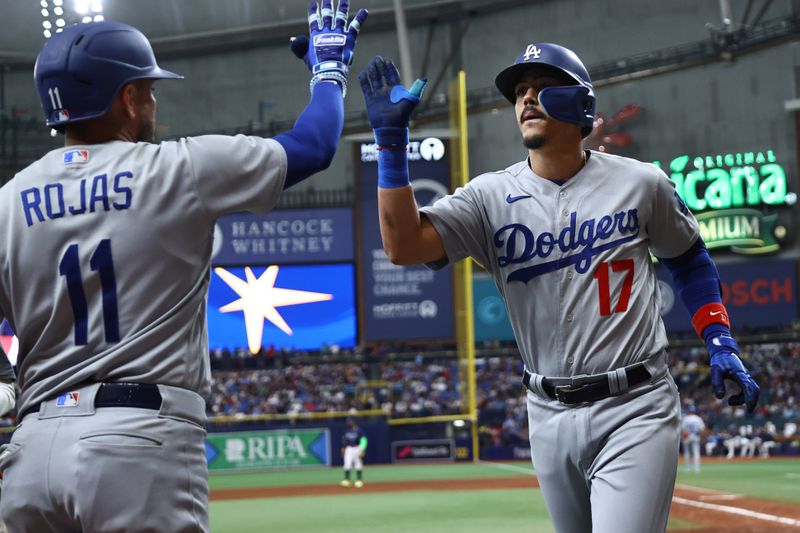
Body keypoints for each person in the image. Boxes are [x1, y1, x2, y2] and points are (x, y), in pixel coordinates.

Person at [358, 43, 760, 533]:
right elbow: (402, 246)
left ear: (581, 105)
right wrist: (392, 147)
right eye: (520, 91)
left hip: (633, 405)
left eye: (542, 88)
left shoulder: (642, 183)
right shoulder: (489, 197)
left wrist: (719, 340)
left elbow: (690, 257)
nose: (526, 98)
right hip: (545, 412)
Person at [0, 1, 367, 530]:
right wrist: (328, 73)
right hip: (137, 444)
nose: (152, 101)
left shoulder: (9, 200)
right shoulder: (176, 168)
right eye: (148, 90)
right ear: (126, 98)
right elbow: (313, 145)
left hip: (31, 451)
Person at [340, 417, 367, 488]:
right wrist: (343, 448)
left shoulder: (359, 431)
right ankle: (347, 480)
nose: (348, 423)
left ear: (354, 422)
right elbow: (344, 441)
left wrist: (362, 450)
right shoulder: (346, 431)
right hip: (349, 448)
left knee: (358, 463)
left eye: (350, 422)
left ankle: (359, 480)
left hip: (357, 448)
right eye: (348, 422)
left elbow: (363, 440)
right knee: (347, 463)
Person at [681, 405, 705, 472]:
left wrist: (683, 437)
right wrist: (702, 438)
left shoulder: (686, 418)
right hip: (696, 437)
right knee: (696, 453)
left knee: (687, 453)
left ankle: (687, 469)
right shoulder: (698, 419)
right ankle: (697, 469)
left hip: (687, 437)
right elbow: (702, 430)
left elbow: (683, 430)